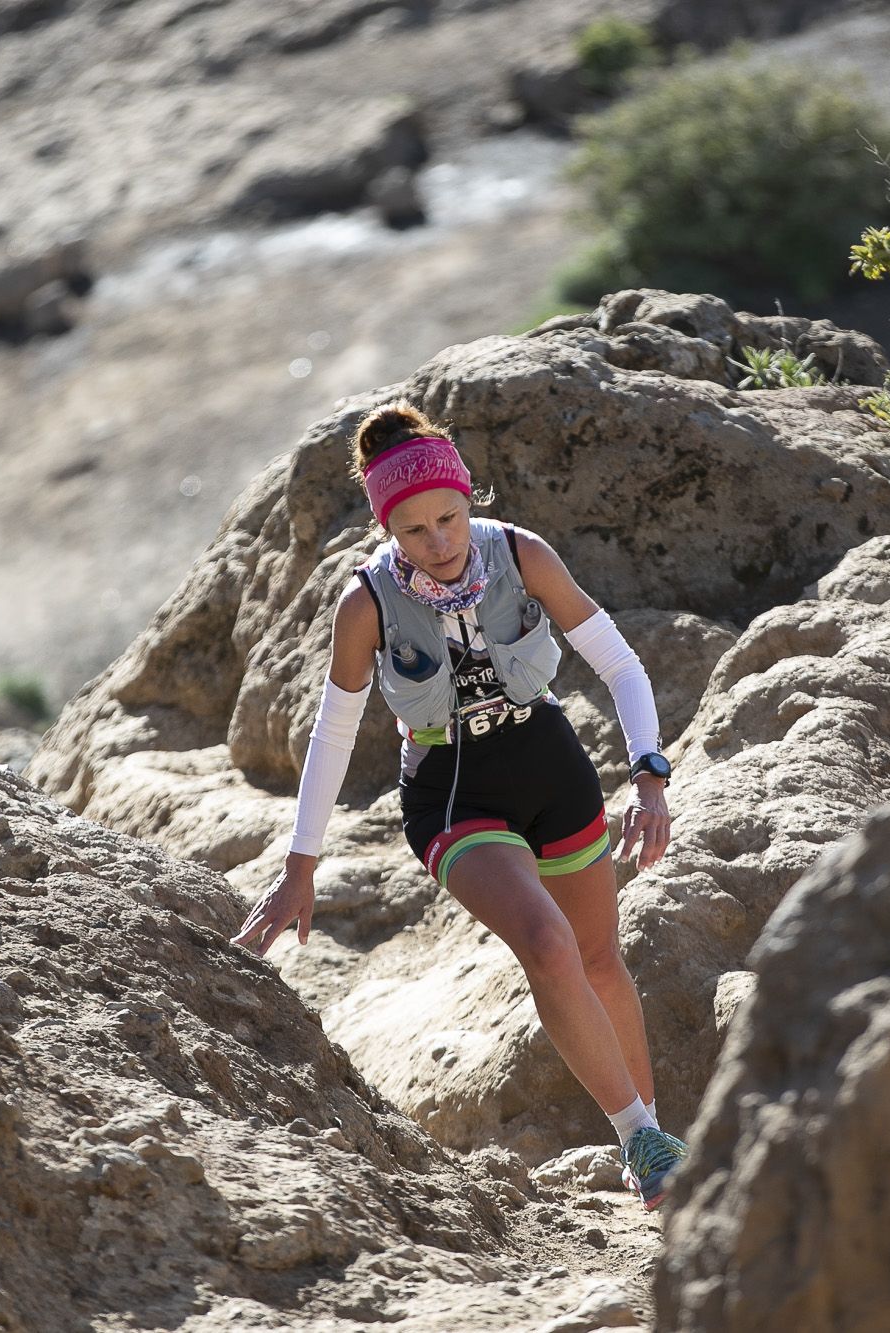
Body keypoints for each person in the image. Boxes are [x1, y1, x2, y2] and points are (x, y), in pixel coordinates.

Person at [233, 403, 688, 1210]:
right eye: (414, 530)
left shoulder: (520, 553)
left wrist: (649, 775)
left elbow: (620, 664)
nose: (438, 542)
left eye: (448, 518)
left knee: (597, 958)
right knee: (547, 944)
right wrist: (299, 867)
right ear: (388, 529)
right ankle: (639, 1134)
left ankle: (653, 1147)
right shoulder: (364, 605)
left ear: (468, 499)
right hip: (451, 792)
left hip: (551, 764)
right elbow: (333, 737)